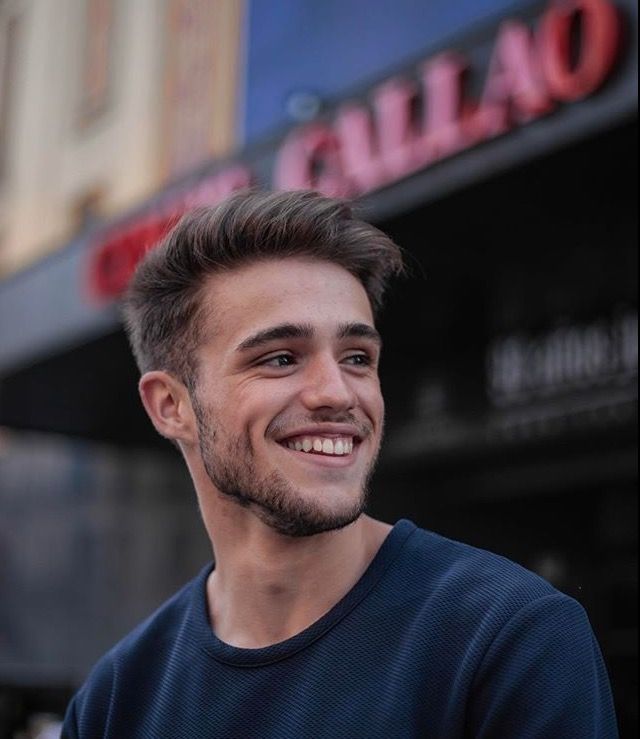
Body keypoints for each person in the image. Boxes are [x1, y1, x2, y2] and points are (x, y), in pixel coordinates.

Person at [62, 190, 618, 738]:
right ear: (171, 405)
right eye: (280, 358)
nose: (337, 392)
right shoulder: (116, 701)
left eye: (357, 358)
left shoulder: (509, 638)